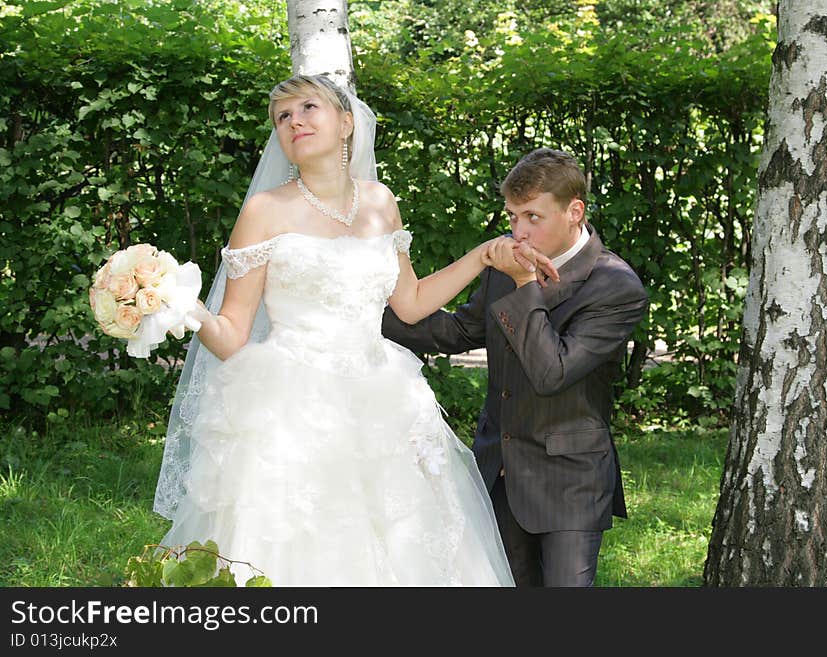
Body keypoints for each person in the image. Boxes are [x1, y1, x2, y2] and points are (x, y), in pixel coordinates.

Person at [151, 74, 561, 586]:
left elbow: (409, 305)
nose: (294, 121)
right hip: (291, 401)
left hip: (380, 392)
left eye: (307, 107)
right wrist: (178, 305)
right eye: (282, 117)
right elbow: (232, 334)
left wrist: (481, 256)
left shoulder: (379, 203)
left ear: (346, 123)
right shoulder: (264, 211)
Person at [382, 148, 649, 587]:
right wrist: (364, 316)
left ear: (574, 211)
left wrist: (525, 284)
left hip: (570, 480)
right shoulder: (505, 268)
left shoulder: (615, 285)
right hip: (499, 468)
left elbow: (552, 372)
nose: (518, 232)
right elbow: (459, 332)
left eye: (532, 217)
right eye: (511, 217)